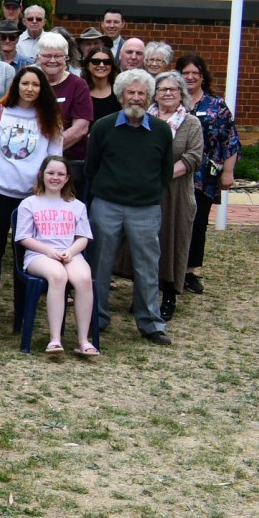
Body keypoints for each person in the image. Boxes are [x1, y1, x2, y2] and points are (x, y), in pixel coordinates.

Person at [85, 69, 174, 347]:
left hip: (145, 208)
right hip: (106, 205)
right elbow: (92, 167)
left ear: (149, 98)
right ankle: (95, 318)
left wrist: (145, 192)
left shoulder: (161, 130)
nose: (136, 98)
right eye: (131, 92)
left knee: (147, 267)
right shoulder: (102, 126)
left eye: (141, 93)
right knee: (99, 265)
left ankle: (150, 323)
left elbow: (166, 171)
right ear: (121, 95)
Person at [0, 65, 63, 324]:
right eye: (25, 84)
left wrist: (47, 193)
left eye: (35, 84)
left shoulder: (50, 118)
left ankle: (23, 309)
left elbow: (55, 159)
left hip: (32, 198)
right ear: (16, 86)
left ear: (42, 89)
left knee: (26, 254)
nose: (29, 89)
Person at [14, 156, 97, 355]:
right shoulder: (30, 203)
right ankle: (55, 339)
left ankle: (84, 340)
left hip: (70, 254)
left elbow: (83, 237)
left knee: (84, 279)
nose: (55, 177)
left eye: (61, 174)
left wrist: (71, 251)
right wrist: (49, 251)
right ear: (42, 175)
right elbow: (23, 237)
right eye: (51, 173)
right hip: (39, 255)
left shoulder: (77, 206)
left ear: (68, 178)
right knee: (58, 275)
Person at [177, 53, 239, 297]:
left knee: (197, 223)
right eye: (185, 73)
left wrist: (228, 172)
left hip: (203, 176)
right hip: (174, 173)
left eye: (195, 73)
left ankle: (189, 272)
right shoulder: (170, 101)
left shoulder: (216, 105)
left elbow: (230, 140)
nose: (190, 77)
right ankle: (168, 269)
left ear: (203, 77)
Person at [151, 71, 205, 320]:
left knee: (172, 242)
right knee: (145, 244)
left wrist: (161, 175)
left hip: (176, 194)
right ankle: (145, 294)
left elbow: (193, 157)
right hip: (145, 193)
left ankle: (169, 295)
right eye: (163, 89)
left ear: (182, 93)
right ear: (155, 93)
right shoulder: (145, 119)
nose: (168, 93)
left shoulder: (190, 123)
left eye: (173, 89)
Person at [35, 33, 94, 184]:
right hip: (29, 160)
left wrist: (48, 152)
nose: (52, 60)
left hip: (67, 164)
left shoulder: (78, 85)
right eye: (47, 56)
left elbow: (81, 128)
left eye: (58, 56)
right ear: (38, 57)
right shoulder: (29, 81)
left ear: (66, 59)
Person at [84, 47, 120, 127]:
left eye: (107, 62)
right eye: (96, 62)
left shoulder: (119, 91)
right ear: (87, 65)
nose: (101, 65)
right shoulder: (80, 90)